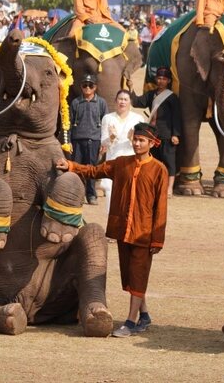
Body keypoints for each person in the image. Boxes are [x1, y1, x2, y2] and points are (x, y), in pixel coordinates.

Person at [56, 122, 168, 337]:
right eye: (135, 139)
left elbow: (161, 208)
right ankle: (144, 316)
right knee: (131, 277)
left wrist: (157, 240)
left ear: (152, 143)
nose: (136, 143)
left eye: (141, 140)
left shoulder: (159, 170)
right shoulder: (122, 164)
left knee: (137, 275)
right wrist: (71, 166)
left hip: (144, 234)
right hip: (122, 230)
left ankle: (130, 322)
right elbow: (95, 171)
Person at [132, 67, 181, 192]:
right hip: (153, 134)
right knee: (153, 160)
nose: (161, 81)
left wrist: (176, 134)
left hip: (167, 134)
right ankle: (154, 185)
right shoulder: (151, 94)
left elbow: (176, 116)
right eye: (159, 78)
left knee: (169, 161)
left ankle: (169, 188)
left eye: (164, 79)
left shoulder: (172, 97)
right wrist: (130, 88)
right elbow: (137, 102)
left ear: (168, 81)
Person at [99, 89, 145, 210]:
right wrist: (111, 137)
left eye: (125, 99)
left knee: (129, 196)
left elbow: (142, 144)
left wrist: (132, 139)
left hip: (131, 161)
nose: (122, 102)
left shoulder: (138, 119)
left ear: (130, 102)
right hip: (113, 160)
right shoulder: (108, 118)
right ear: (115, 101)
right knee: (111, 195)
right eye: (120, 99)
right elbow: (103, 142)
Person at [69, 73, 108, 205]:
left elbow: (105, 123)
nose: (87, 88)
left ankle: (91, 195)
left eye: (90, 85)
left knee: (91, 169)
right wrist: (68, 141)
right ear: (81, 87)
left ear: (95, 87)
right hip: (77, 140)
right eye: (85, 85)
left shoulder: (101, 103)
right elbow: (68, 124)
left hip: (94, 140)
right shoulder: (75, 102)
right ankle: (76, 195)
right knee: (76, 168)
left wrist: (104, 142)